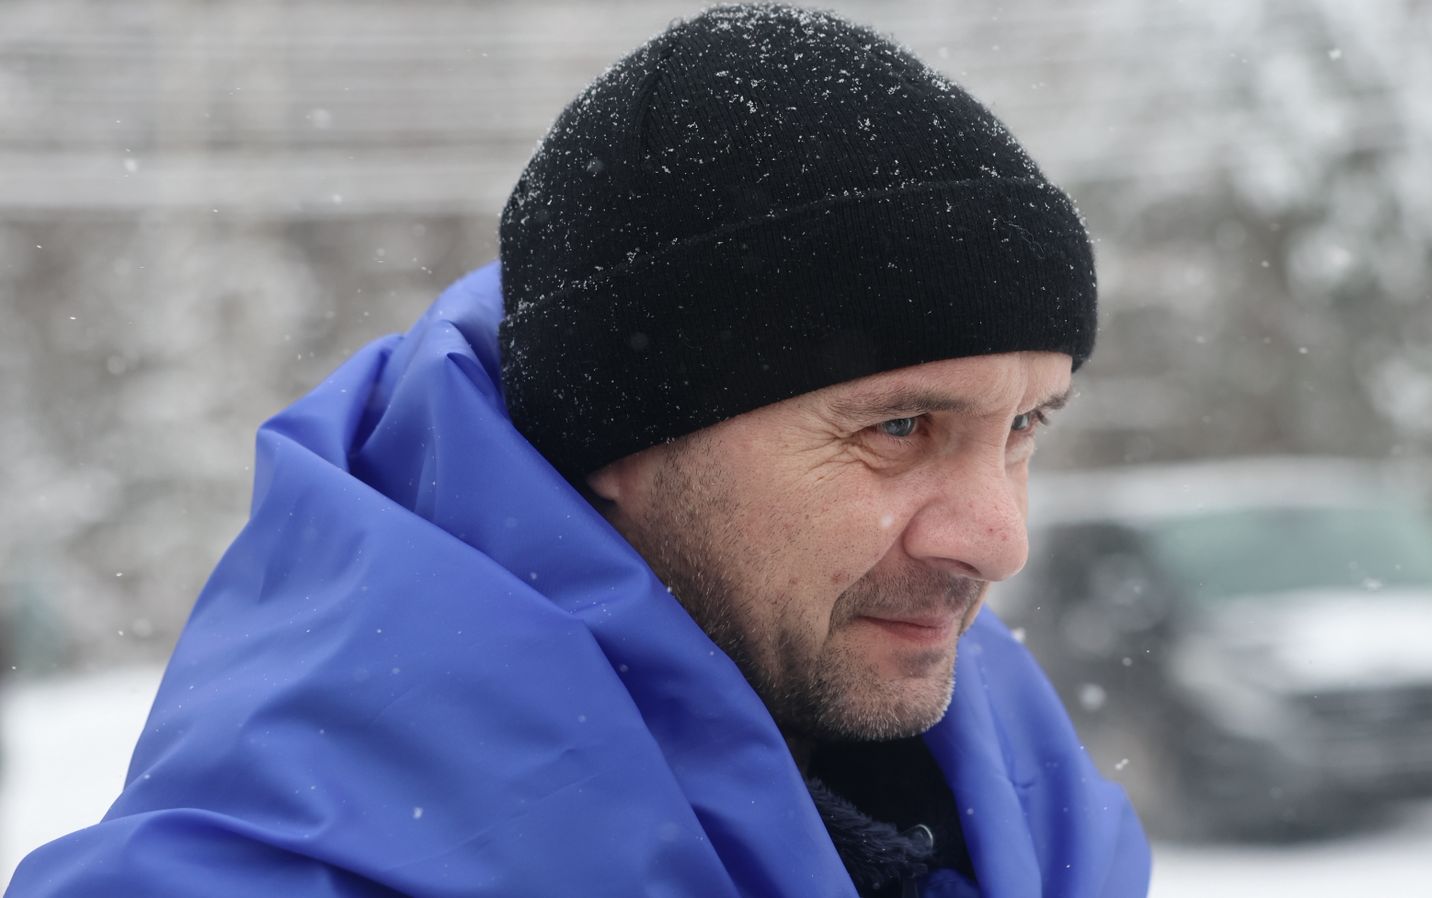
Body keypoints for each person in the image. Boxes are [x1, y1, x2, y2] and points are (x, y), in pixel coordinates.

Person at [7, 6, 1149, 897]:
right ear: (620, 438)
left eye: (1023, 428)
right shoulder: (276, 871)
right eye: (897, 428)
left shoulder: (1032, 821)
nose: (998, 538)